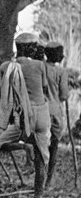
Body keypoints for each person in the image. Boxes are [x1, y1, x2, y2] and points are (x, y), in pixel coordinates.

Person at [0, 32, 51, 198]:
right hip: (41, 112)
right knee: (41, 158)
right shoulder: (40, 65)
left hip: (22, 116)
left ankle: (22, 147)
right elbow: (43, 88)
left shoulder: (6, 66)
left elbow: (2, 92)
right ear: (31, 48)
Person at [44, 42, 70, 188]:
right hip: (55, 112)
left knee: (40, 146)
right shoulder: (61, 72)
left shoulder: (40, 67)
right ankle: (49, 180)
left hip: (41, 110)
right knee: (54, 146)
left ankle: (40, 177)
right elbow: (64, 95)